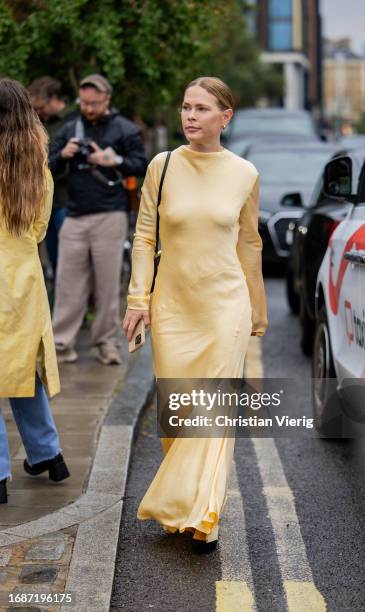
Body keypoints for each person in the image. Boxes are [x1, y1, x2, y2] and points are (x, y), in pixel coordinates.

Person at [123, 76, 268, 553]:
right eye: (186, 107)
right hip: (173, 309)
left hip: (225, 307)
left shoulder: (245, 172)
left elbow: (249, 243)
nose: (190, 116)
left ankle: (204, 516)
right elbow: (145, 236)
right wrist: (137, 300)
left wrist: (257, 311)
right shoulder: (162, 166)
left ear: (225, 117)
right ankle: (181, 507)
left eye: (202, 109)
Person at [0, 78, 70, 504]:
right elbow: (41, 229)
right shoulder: (38, 169)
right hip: (24, 279)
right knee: (24, 372)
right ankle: (49, 453)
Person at [50, 74, 148, 366]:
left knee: (108, 284)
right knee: (67, 283)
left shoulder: (124, 129)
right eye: (85, 103)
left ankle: (106, 342)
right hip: (75, 214)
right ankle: (61, 343)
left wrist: (113, 160)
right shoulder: (70, 128)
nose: (89, 108)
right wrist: (63, 155)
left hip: (111, 213)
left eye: (94, 103)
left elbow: (141, 164)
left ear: (107, 99)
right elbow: (46, 167)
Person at [28, 77, 76, 281]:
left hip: (67, 198)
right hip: (46, 201)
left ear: (55, 99)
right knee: (54, 257)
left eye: (41, 107)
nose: (39, 113)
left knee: (70, 260)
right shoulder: (39, 124)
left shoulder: (73, 121)